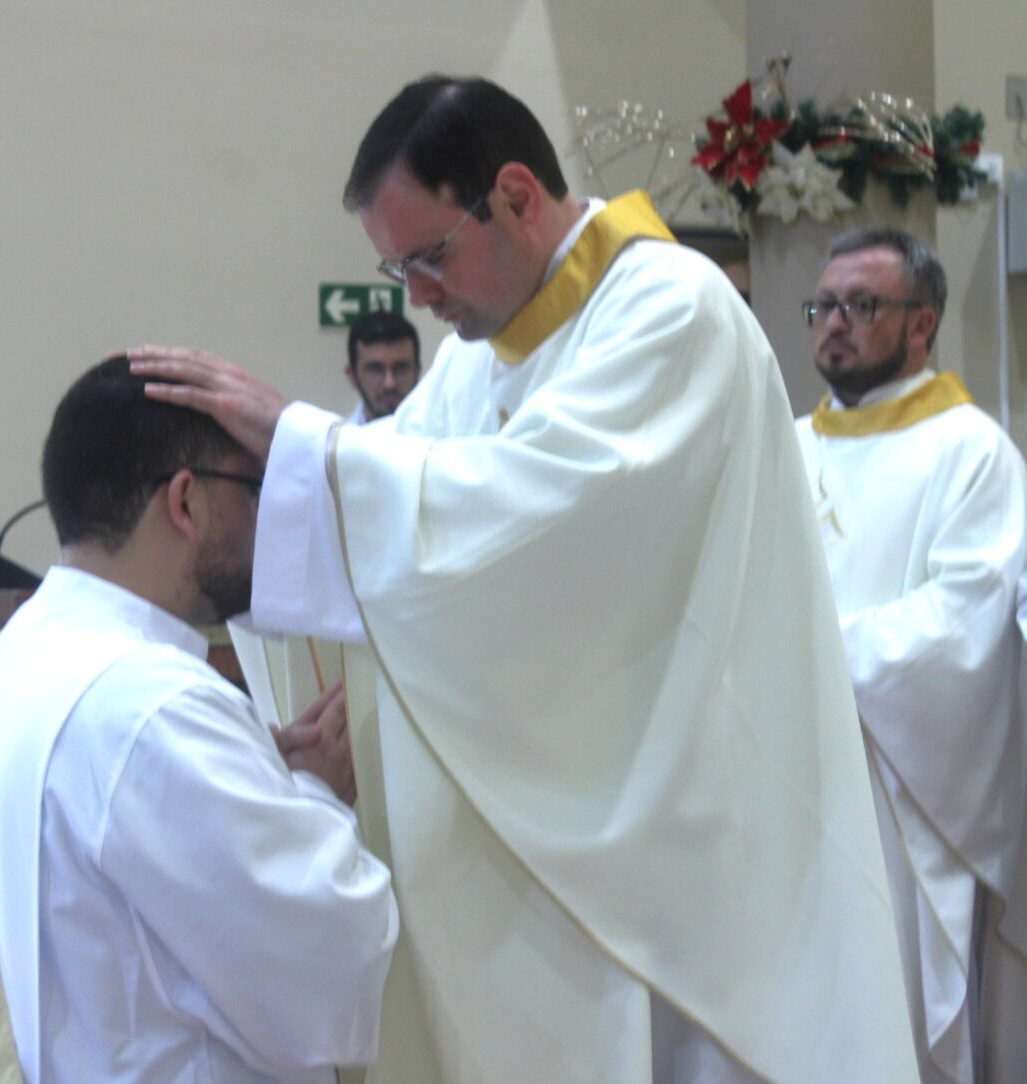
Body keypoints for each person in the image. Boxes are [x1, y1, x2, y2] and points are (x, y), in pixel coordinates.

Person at [130, 75, 919, 1082]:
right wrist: (359, 693)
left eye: (426, 256)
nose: (415, 294)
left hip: (686, 824)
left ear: (513, 193)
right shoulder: (481, 357)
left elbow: (527, 522)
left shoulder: (672, 312)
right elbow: (391, 542)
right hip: (577, 819)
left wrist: (304, 442)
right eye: (395, 268)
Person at [0, 355, 397, 1083]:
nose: (265, 518)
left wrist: (256, 777)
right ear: (186, 503)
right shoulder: (154, 705)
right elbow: (328, 973)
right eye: (253, 491)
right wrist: (314, 796)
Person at [795, 227, 1027, 1084]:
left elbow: (970, 618)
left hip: (899, 787)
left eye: (862, 306)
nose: (834, 324)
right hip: (787, 770)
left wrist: (809, 654)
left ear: (921, 324)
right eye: (824, 306)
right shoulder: (787, 446)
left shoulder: (972, 453)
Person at [343, 310, 421, 423]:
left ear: (417, 371)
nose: (389, 383)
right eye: (376, 369)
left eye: (400, 368)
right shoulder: (336, 440)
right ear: (352, 376)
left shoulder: (445, 437)